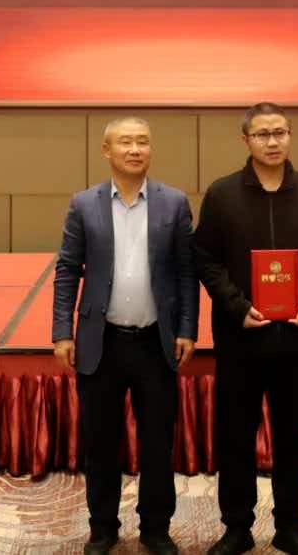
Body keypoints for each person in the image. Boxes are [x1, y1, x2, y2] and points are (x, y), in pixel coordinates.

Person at [195, 102, 298, 555]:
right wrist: (237, 307)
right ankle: (237, 526)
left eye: (280, 132)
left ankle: (290, 526)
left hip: (297, 338)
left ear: (290, 135)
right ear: (246, 140)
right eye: (262, 134)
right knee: (235, 436)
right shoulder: (222, 194)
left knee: (293, 437)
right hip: (240, 338)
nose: (272, 141)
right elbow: (205, 259)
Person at [52, 116, 199, 555]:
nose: (135, 150)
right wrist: (62, 332)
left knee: (158, 444)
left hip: (156, 342)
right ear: (107, 150)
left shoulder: (174, 202)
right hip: (102, 342)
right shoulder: (84, 204)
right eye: (125, 142)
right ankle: (102, 527)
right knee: (100, 444)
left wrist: (187, 328)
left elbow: (187, 271)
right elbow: (67, 269)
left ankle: (156, 527)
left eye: (143, 142)